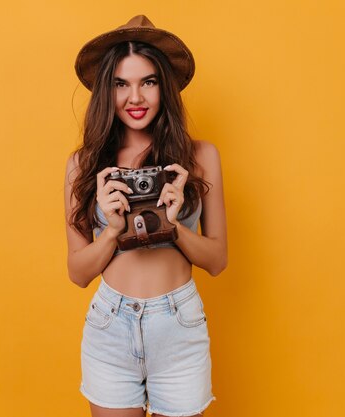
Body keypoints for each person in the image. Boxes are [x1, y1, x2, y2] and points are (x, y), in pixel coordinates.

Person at [64, 15, 227, 417]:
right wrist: (112, 230)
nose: (135, 98)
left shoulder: (201, 157)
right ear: (107, 91)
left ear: (164, 89)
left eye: (148, 82)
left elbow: (218, 261)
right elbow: (78, 272)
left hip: (179, 325)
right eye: (121, 84)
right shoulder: (84, 165)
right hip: (110, 326)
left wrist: (173, 228)